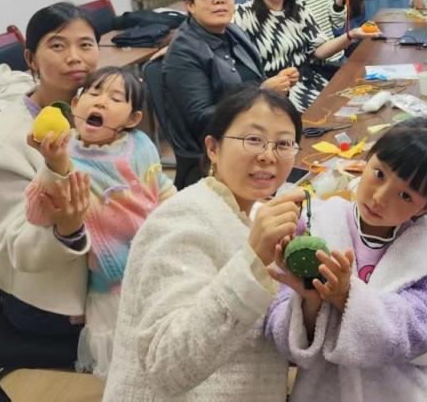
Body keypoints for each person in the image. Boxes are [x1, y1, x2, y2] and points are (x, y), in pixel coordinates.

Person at [103, 85, 307, 401]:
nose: (268, 156)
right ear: (213, 148)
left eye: (283, 144)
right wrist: (253, 260)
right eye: (253, 140)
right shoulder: (183, 218)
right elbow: (167, 364)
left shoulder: (246, 212)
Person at [265, 117, 427, 401]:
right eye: (379, 174)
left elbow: (423, 333)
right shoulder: (313, 226)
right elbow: (280, 336)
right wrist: (309, 303)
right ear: (365, 160)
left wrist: (345, 296)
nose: (380, 197)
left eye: (405, 195)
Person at [24, 65, 175, 377]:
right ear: (75, 104)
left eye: (116, 98)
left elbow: (161, 187)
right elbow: (36, 213)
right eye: (93, 93)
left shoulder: (141, 145)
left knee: (166, 349)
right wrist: (54, 165)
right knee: (126, 364)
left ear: (132, 119)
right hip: (110, 285)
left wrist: (178, 222)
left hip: (156, 263)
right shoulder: (64, 156)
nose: (101, 101)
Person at [0, 2, 99, 336]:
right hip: (51, 300)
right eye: (57, 46)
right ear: (30, 59)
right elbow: (20, 249)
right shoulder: (6, 142)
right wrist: (67, 231)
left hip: (104, 271)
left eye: (85, 44)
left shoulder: (97, 113)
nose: (75, 57)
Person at [233, 0, 379, 112]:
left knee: (359, 106)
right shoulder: (242, 15)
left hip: (309, 84)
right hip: (272, 97)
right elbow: (236, 73)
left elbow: (319, 50)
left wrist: (352, 34)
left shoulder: (299, 10)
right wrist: (264, 88)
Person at [162, 0, 265, 190]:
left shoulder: (232, 31)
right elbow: (202, 120)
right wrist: (262, 94)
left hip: (252, 134)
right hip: (213, 157)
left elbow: (256, 79)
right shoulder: (183, 53)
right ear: (189, 4)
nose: (220, 0)